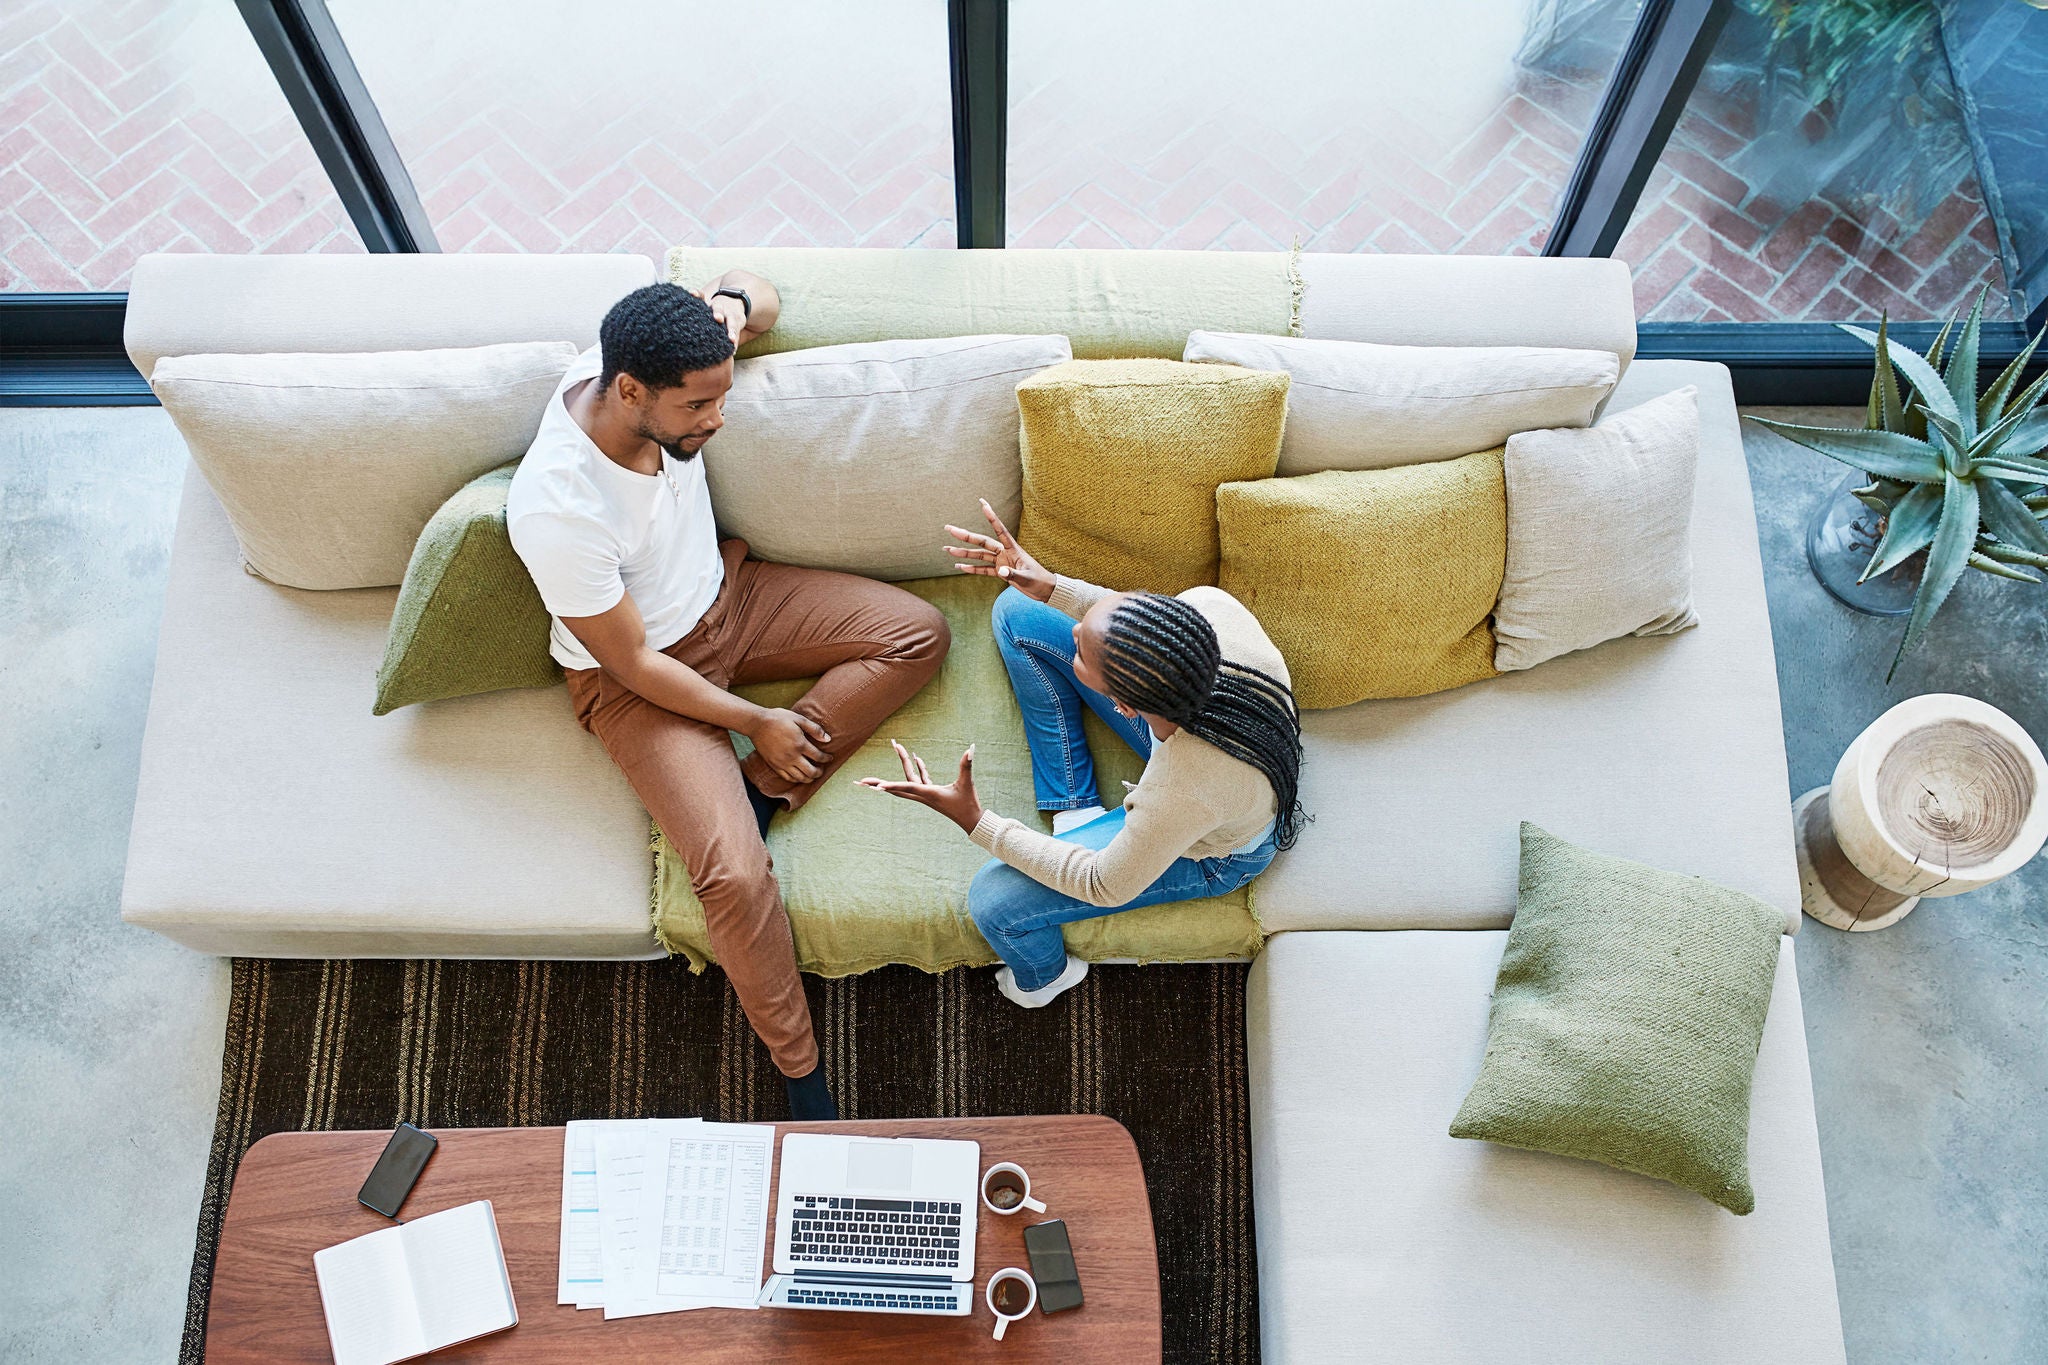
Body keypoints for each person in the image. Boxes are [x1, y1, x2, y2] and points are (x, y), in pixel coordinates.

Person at [507, 278, 950, 1118]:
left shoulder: (663, 361)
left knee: (918, 632)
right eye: (699, 407)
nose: (716, 420)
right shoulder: (559, 505)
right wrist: (754, 719)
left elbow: (769, 297)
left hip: (732, 601)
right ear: (629, 391)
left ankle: (759, 787)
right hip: (639, 681)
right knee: (737, 879)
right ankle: (800, 1071)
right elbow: (632, 660)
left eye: (722, 396)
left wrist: (736, 305)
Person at [861, 501, 1304, 1008]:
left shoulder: (1182, 787)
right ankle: (1077, 806)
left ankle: (1045, 979)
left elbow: (1103, 883)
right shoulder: (1207, 611)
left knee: (994, 901)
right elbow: (1130, 622)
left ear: (1124, 705)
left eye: (1081, 656)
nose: (1074, 633)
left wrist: (977, 821)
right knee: (1021, 610)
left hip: (1221, 850)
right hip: (1230, 746)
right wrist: (1049, 585)